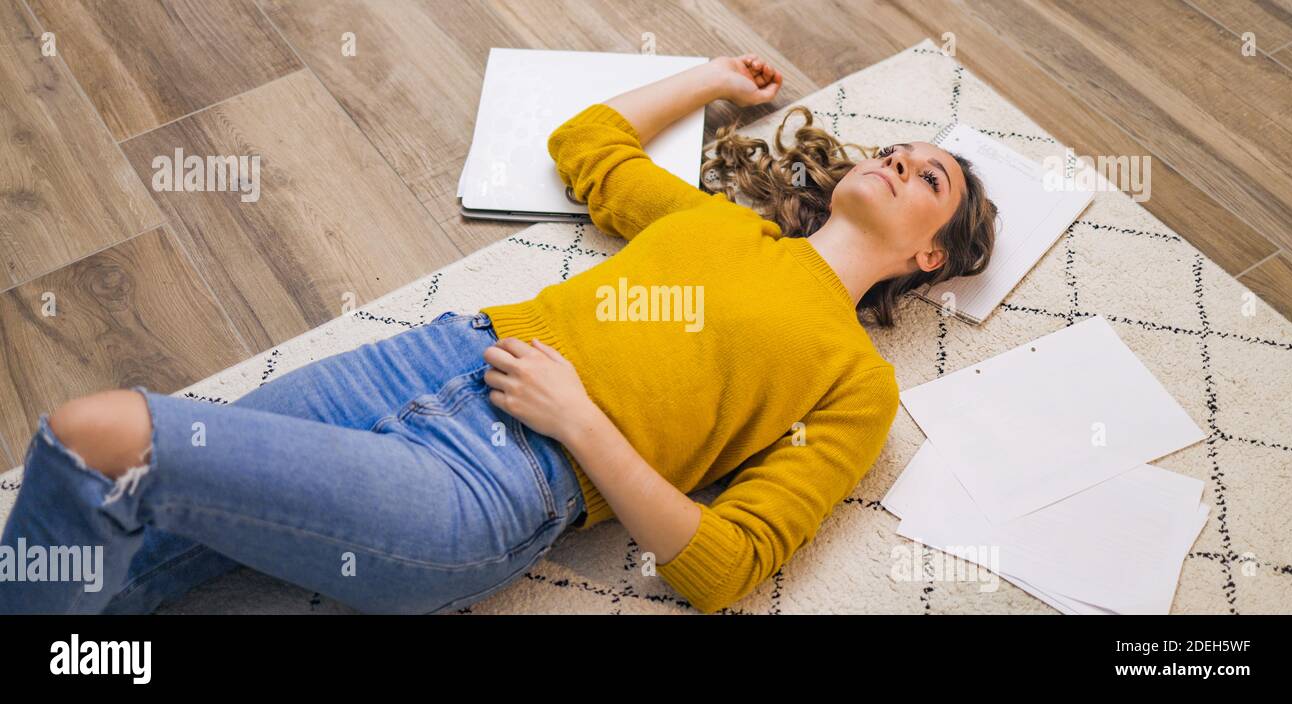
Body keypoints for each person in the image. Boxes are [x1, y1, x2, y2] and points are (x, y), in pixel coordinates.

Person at [0, 53, 995, 615]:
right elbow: (586, 145)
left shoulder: (856, 385)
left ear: (929, 261)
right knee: (131, 536)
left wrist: (582, 424)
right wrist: (707, 78)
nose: (900, 162)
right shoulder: (719, 223)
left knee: (100, 434)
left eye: (929, 178)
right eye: (897, 151)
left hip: (501, 484)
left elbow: (722, 565)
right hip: (427, 357)